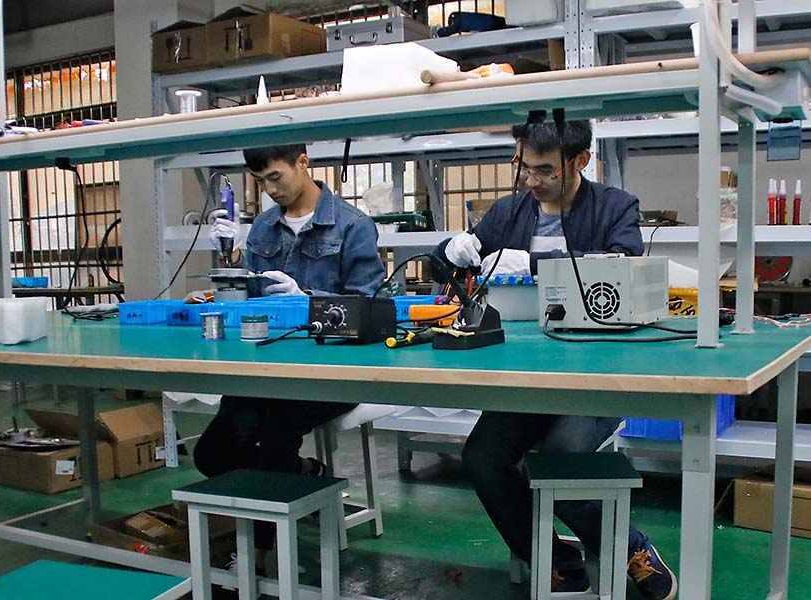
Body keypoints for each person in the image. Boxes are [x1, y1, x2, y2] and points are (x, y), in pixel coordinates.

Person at [434, 120, 677, 600]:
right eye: (525, 167)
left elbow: (623, 266)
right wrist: (451, 250)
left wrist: (535, 265)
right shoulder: (509, 213)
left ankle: (629, 547)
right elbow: (446, 265)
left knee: (559, 461)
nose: (532, 180)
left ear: (580, 160)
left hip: (598, 374)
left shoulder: (614, 208)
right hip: (528, 378)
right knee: (482, 457)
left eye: (545, 170)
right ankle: (553, 558)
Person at [192, 143, 387, 569]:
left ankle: (261, 555)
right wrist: (232, 259)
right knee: (212, 452)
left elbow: (368, 308)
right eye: (260, 181)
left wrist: (309, 302)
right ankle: (304, 476)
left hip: (333, 372)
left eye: (275, 177)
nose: (269, 189)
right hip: (268, 368)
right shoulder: (263, 228)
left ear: (303, 163)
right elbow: (250, 298)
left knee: (273, 438)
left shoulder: (353, 226)